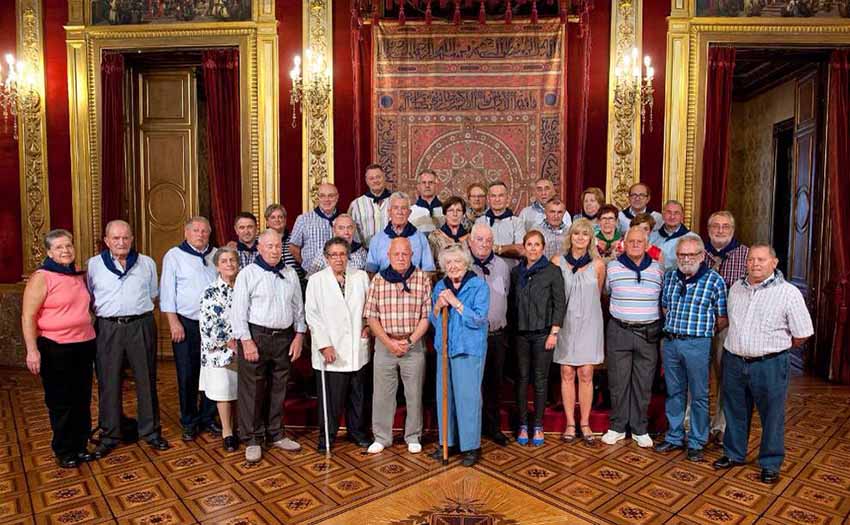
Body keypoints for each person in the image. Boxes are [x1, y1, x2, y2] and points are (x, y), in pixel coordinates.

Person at [713, 245, 813, 484]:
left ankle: (769, 463)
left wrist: (774, 348)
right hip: (734, 360)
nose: (755, 264)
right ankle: (734, 453)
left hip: (769, 364)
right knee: (735, 411)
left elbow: (802, 333)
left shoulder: (788, 292)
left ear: (774, 262)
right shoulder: (736, 288)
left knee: (772, 416)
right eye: (751, 259)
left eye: (761, 259)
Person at [87, 220, 168, 458]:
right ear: (106, 240)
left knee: (146, 378)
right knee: (108, 381)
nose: (121, 242)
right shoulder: (94, 265)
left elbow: (153, 294)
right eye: (116, 238)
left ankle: (151, 431)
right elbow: (91, 296)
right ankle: (110, 434)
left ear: (132, 239)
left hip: (140, 325)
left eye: (125, 238)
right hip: (108, 328)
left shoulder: (146, 263)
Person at [22, 229, 97, 468]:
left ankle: (80, 445)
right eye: (59, 247)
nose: (65, 251)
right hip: (55, 347)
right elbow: (27, 316)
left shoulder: (77, 275)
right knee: (61, 400)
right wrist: (32, 350)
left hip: (84, 344)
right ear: (49, 252)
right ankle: (64, 450)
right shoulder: (42, 277)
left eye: (68, 246)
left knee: (82, 398)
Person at [231, 229, 306, 462]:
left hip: (284, 337)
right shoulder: (248, 274)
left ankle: (276, 433)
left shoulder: (290, 273)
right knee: (252, 389)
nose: (274, 250)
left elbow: (298, 309)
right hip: (256, 336)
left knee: (279, 387)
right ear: (260, 248)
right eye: (269, 246)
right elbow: (238, 311)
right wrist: (246, 341)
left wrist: (299, 336)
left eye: (277, 246)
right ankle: (252, 438)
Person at [654, 235, 727, 462]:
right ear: (677, 256)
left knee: (699, 395)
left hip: (698, 343)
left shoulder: (715, 280)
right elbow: (665, 308)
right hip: (672, 342)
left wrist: (699, 332)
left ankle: (696, 441)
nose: (686, 259)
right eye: (682, 255)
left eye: (691, 254)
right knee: (674, 392)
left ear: (701, 255)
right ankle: (675, 436)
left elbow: (722, 317)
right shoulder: (669, 277)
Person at [364, 238, 432, 455]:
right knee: (382, 394)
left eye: (405, 254)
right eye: (396, 254)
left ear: (412, 255)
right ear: (388, 255)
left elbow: (426, 316)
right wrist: (388, 342)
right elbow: (371, 317)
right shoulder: (378, 281)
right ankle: (382, 437)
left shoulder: (422, 279)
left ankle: (413, 436)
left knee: (414, 394)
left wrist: (409, 341)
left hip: (413, 344)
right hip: (385, 345)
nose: (401, 258)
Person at [305, 237, 372, 452]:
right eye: (333, 255)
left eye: (342, 254)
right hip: (330, 349)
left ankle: (358, 432)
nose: (338, 259)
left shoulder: (360, 277)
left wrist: (368, 326)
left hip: (356, 346)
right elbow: (312, 316)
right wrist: (324, 345)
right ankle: (327, 436)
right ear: (326, 258)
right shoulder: (316, 281)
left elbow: (370, 307)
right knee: (331, 399)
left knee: (358, 395)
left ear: (348, 256)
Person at [601, 226, 664, 448]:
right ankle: (617, 427)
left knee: (643, 382)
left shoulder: (658, 270)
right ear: (624, 244)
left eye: (640, 242)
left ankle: (639, 428)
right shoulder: (612, 268)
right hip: (619, 330)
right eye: (631, 242)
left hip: (648, 333)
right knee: (618, 382)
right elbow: (606, 294)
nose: (635, 245)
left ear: (647, 245)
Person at [429, 245, 490, 467]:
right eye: (448, 263)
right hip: (444, 349)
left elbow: (479, 319)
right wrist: (438, 306)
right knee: (445, 397)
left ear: (466, 264)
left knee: (468, 399)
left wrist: (456, 303)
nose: (453, 266)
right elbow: (434, 322)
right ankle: (448, 442)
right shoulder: (440, 287)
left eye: (457, 262)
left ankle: (471, 447)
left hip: (469, 349)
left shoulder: (478, 286)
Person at [160, 216, 219, 441]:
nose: (201, 234)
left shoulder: (216, 255)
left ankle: (208, 417)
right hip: (186, 323)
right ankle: (189, 421)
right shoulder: (174, 256)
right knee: (187, 374)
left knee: (212, 371)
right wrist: (173, 322)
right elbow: (167, 292)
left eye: (205, 231)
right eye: (196, 230)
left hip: (213, 325)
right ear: (186, 233)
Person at [550, 219, 605, 444]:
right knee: (566, 372)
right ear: (570, 237)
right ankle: (570, 424)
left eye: (585, 234)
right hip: (565, 323)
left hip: (590, 322)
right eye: (576, 234)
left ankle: (585, 423)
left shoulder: (599, 264)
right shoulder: (557, 262)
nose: (580, 238)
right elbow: (554, 296)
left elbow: (598, 294)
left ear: (590, 238)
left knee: (586, 372)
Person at [509, 230, 566, 447]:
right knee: (522, 379)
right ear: (524, 248)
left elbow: (559, 304)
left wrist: (554, 332)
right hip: (521, 334)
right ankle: (523, 423)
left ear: (543, 248)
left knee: (540, 380)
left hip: (544, 333)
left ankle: (539, 425)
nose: (533, 249)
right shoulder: (517, 273)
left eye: (537, 245)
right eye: (529, 244)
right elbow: (511, 303)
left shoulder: (552, 271)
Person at [703, 210, 749, 441]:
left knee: (727, 378)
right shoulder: (698, 253)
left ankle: (720, 425)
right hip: (699, 327)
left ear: (732, 230)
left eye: (725, 227)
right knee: (698, 376)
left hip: (729, 327)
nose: (720, 231)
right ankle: (696, 424)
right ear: (709, 229)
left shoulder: (746, 256)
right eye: (715, 226)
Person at [468, 223, 511, 446]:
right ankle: (472, 430)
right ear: (470, 241)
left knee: (494, 385)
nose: (484, 244)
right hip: (472, 337)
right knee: (473, 385)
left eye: (488, 240)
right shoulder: (464, 267)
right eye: (480, 239)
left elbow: (507, 295)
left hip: (496, 336)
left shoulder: (503, 266)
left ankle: (493, 428)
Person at [199, 247, 240, 452]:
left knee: (242, 390)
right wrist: (228, 342)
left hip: (244, 346)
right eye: (224, 261)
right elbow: (208, 323)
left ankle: (242, 428)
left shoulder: (244, 286)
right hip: (219, 349)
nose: (229, 264)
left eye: (232, 260)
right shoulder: (210, 291)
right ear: (217, 266)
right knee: (224, 390)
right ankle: (227, 431)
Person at [365, 192, 436, 273]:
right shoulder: (377, 239)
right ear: (389, 212)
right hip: (384, 284)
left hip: (414, 284)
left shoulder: (421, 238)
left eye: (403, 208)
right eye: (395, 208)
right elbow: (370, 271)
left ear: (409, 212)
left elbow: (429, 270)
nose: (400, 212)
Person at [289, 183, 340, 274]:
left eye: (331, 196)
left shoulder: (345, 220)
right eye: (322, 196)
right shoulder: (303, 219)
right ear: (318, 198)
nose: (327, 199)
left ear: (337, 197)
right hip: (312, 274)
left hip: (339, 274)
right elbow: (293, 247)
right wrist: (306, 266)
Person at [476, 181, 526, 264]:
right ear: (488, 199)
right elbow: (477, 248)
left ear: (507, 198)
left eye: (501, 195)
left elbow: (521, 249)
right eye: (493, 196)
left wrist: (497, 248)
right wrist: (509, 248)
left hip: (511, 271)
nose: (497, 199)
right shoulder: (480, 222)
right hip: (485, 271)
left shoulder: (517, 222)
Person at [348, 163, 391, 249]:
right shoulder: (356, 204)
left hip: (391, 253)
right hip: (366, 252)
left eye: (378, 177)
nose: (375, 181)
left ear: (384, 178)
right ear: (367, 181)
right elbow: (350, 230)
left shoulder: (396, 201)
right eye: (371, 178)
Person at [265, 204, 304, 281]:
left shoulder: (296, 238)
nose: (277, 220)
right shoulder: (260, 241)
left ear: (285, 220)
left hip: (296, 283)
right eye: (273, 217)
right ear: (267, 222)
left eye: (280, 217)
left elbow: (303, 262)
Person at [428, 196, 469, 269]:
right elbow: (430, 266)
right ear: (445, 214)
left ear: (463, 214)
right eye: (450, 210)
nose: (455, 214)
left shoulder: (470, 237)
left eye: (458, 210)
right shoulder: (434, 237)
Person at [649, 200, 690, 271]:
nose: (672, 216)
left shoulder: (692, 238)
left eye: (676, 213)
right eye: (668, 212)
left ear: (682, 216)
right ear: (663, 215)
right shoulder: (651, 237)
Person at [409, 169, 444, 236]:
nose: (427, 185)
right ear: (418, 186)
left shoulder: (447, 210)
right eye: (424, 182)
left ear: (436, 186)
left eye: (430, 182)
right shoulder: (410, 212)